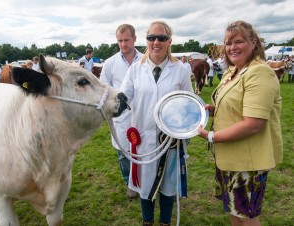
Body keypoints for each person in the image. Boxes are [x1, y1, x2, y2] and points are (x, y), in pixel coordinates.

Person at [198, 20, 283, 226]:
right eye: (228, 43)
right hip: (229, 158)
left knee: (248, 217)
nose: (232, 47)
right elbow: (235, 105)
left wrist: (211, 136)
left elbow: (254, 123)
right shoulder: (233, 71)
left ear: (253, 43)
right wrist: (213, 109)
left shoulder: (259, 72)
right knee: (235, 213)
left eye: (238, 41)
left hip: (248, 161)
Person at [120, 21, 193, 226]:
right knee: (145, 184)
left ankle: (165, 222)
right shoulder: (135, 70)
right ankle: (147, 221)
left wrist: (188, 128)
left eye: (161, 38)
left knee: (168, 185)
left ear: (170, 41)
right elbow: (123, 98)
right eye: (151, 38)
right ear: (146, 41)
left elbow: (190, 102)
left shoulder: (180, 70)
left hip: (170, 140)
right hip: (142, 139)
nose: (156, 42)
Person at [100, 24, 143, 199]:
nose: (123, 44)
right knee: (124, 152)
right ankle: (130, 184)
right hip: (121, 117)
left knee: (145, 148)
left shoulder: (146, 59)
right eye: (120, 41)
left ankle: (146, 181)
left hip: (143, 112)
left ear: (134, 39)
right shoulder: (110, 64)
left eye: (126, 40)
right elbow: (103, 89)